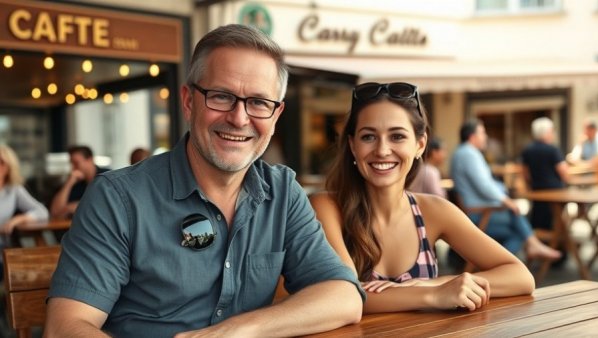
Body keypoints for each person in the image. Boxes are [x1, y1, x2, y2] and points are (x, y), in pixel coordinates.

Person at [45, 24, 363, 337]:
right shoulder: (117, 198)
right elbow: (65, 327)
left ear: (275, 115)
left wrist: (241, 329)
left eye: (258, 102)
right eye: (221, 96)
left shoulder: (282, 192)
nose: (239, 119)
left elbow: (343, 296)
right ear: (188, 101)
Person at [310, 81, 535, 314]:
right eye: (368, 137)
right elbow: (346, 295)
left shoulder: (433, 210)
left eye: (397, 136)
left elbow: (521, 277)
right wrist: (434, 294)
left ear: (420, 145)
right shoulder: (325, 208)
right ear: (352, 145)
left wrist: (437, 283)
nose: (382, 150)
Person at [450, 119, 561, 260]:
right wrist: (506, 200)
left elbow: (484, 184)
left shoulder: (463, 152)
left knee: (518, 226)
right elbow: (484, 185)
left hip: (478, 211)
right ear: (472, 136)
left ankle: (518, 252)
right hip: (479, 215)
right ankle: (497, 264)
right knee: (517, 222)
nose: (486, 136)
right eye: (482, 132)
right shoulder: (468, 154)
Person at [521, 117, 569, 231]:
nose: (553, 134)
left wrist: (530, 186)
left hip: (537, 191)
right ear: (547, 132)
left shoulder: (528, 150)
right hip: (556, 193)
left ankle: (541, 239)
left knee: (538, 219)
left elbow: (525, 173)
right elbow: (564, 172)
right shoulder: (553, 149)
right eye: (552, 131)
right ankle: (560, 240)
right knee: (557, 219)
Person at [0, 144, 49, 237]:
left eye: (2, 162)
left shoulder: (14, 189)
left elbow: (42, 212)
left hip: (4, 248)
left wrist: (17, 219)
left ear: (9, 167)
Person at [49, 145, 109, 219]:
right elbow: (55, 212)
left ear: (90, 160)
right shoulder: (76, 182)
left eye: (76, 163)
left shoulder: (107, 177)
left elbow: (111, 206)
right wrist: (69, 183)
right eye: (71, 163)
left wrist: (81, 205)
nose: (73, 168)